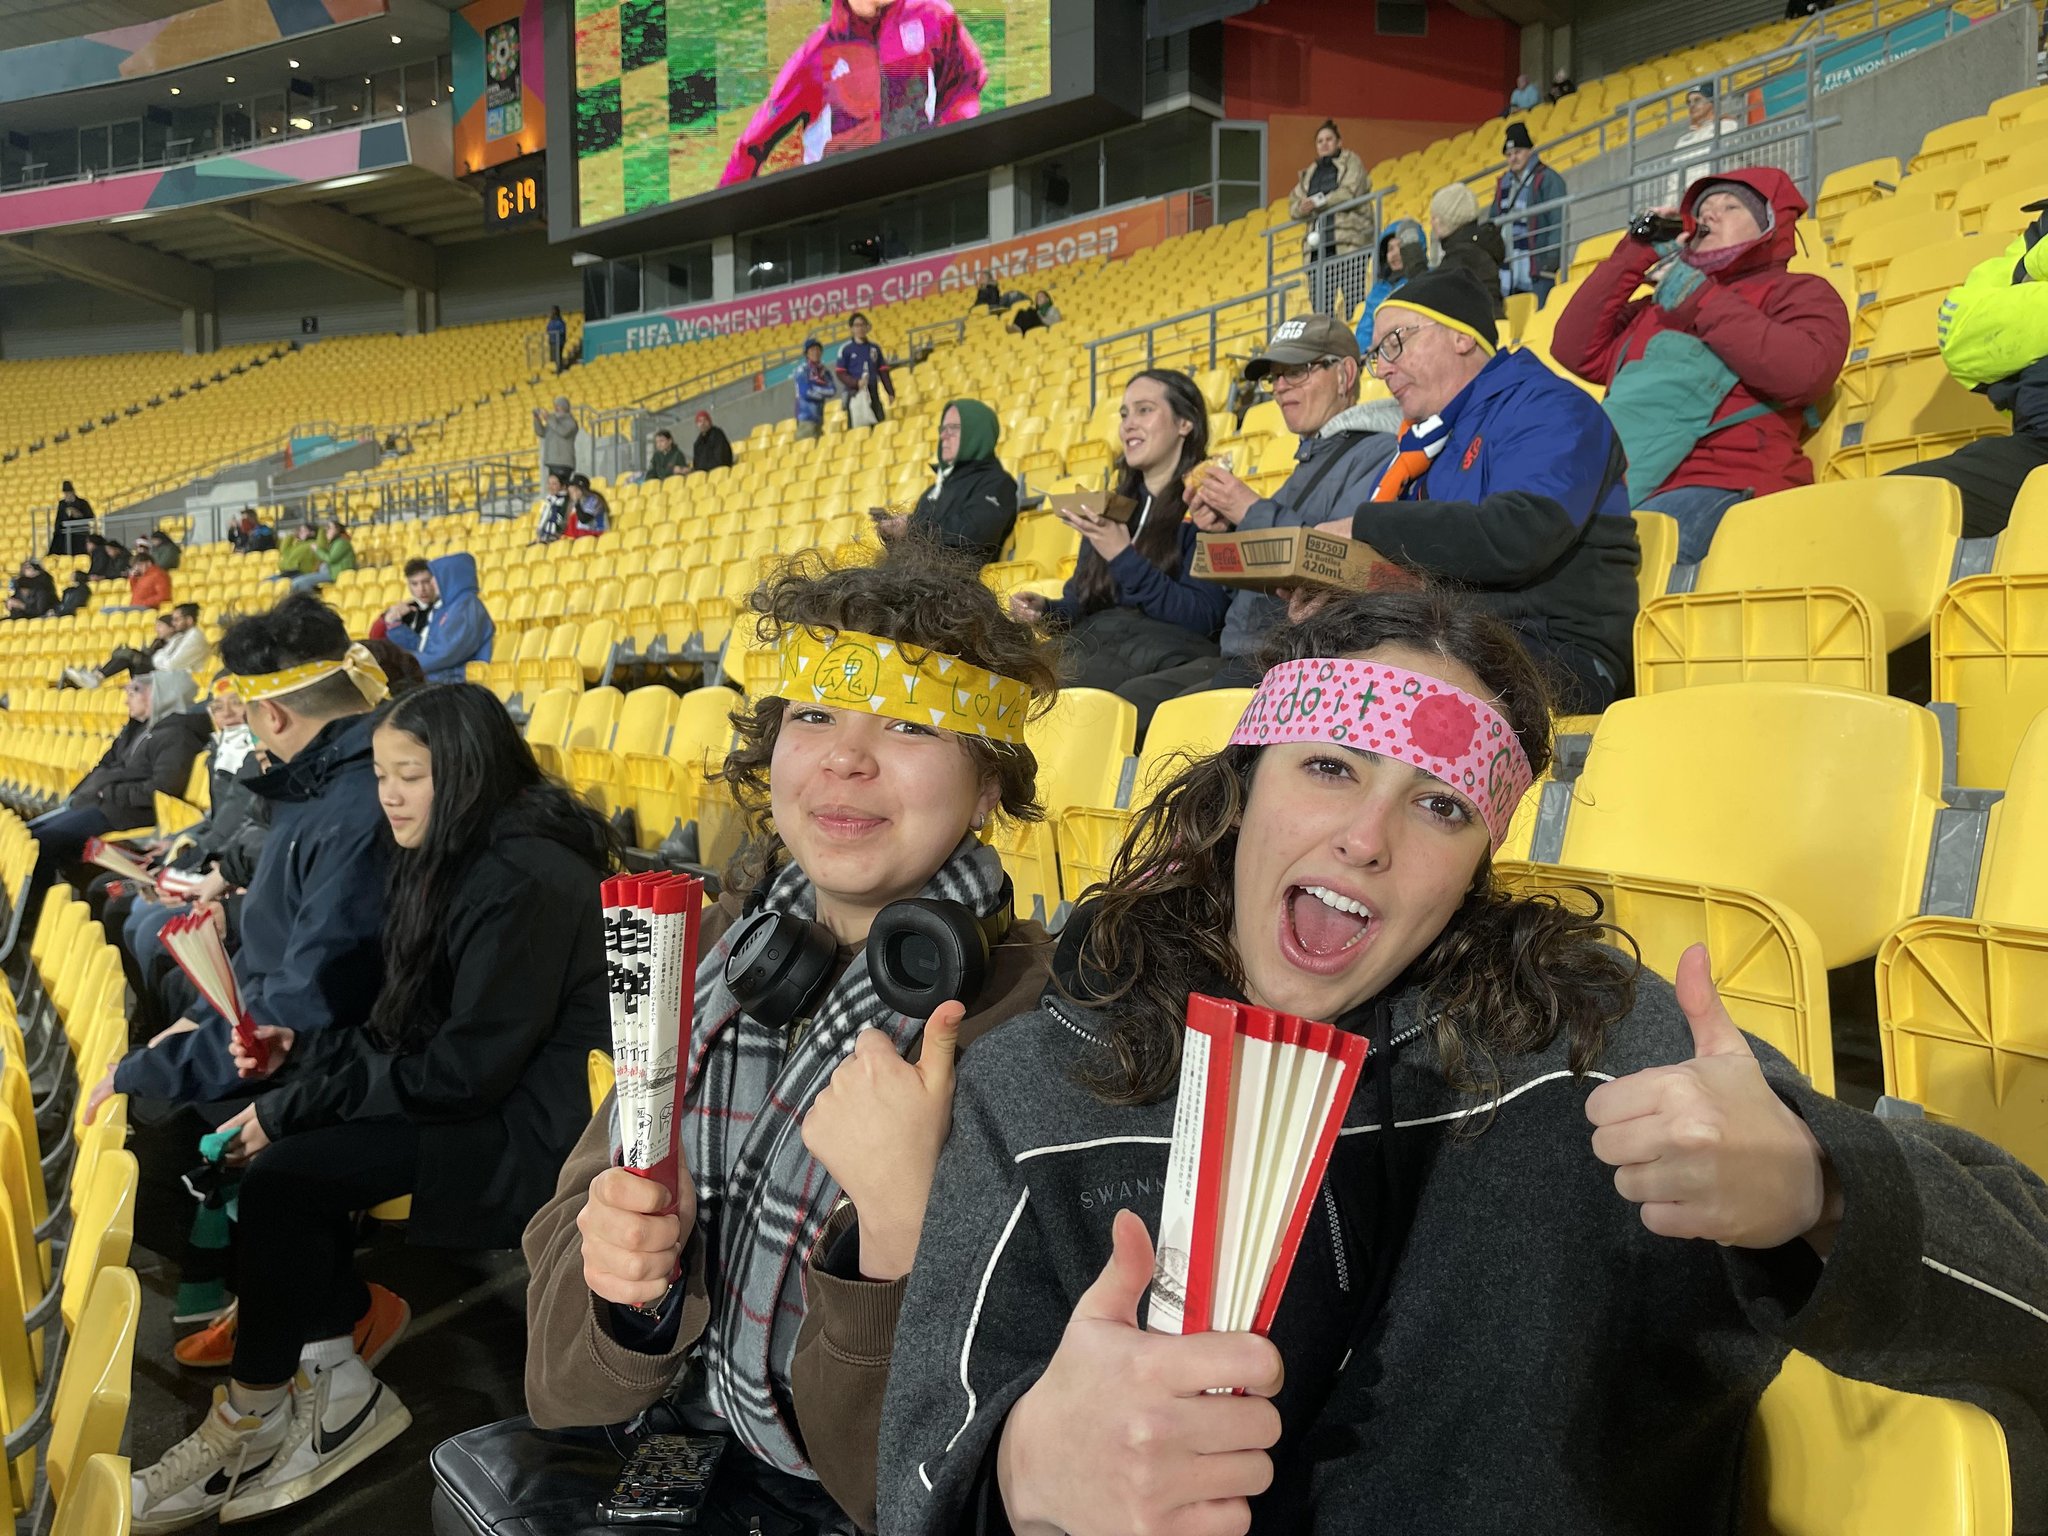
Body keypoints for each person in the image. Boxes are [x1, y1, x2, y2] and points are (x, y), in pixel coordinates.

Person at [876, 588, 2048, 1536]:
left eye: (1437, 806)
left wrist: (1815, 1186)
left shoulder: (1593, 1047)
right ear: (1243, 789)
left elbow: (2024, 1282)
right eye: (1327, 768)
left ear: (1476, 861)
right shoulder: (1042, 1078)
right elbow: (921, 1467)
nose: (1366, 840)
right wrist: (1023, 1473)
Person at [521, 550, 1059, 1533]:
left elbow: (918, 1490)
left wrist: (897, 1236)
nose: (844, 760)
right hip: (681, 1456)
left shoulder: (1040, 1032)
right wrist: (621, 1292)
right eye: (812, 714)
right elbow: (562, 1383)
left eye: (907, 723)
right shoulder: (708, 955)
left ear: (988, 787)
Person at [131, 684, 618, 1529]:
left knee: (287, 1170)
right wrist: (300, 1067)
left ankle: (267, 1411)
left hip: (531, 1132)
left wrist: (297, 1107)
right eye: (384, 773)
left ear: (464, 774)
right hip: (475, 1096)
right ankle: (322, 1378)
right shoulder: (458, 853)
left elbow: (464, 1071)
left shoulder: (526, 875)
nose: (388, 794)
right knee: (285, 1140)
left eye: (410, 775)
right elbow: (408, 1031)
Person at [90, 596, 390, 1126]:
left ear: (270, 715)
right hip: (307, 1038)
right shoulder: (335, 791)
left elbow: (307, 996)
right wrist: (193, 1026)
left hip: (328, 1059)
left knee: (151, 1115)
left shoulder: (345, 812)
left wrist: (148, 1069)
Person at [1321, 268, 1639, 710]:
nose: (1385, 369)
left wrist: (1365, 526)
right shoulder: (1428, 441)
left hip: (1557, 657)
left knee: (1353, 696)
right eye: (1378, 355)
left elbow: (1519, 534)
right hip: (1458, 639)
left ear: (1462, 337)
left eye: (1396, 342)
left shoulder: (1550, 406)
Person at [1553, 169, 1849, 564]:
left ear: (1769, 224)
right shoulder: (1660, 306)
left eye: (1729, 206)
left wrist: (1701, 299)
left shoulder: (1800, 292)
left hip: (1727, 483)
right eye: (1703, 210)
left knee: (1600, 565)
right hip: (1629, 484)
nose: (1710, 216)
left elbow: (1806, 372)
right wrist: (1637, 252)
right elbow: (1573, 348)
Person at [1127, 313, 1399, 725]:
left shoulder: (1379, 452)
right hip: (1245, 653)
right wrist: (1226, 526)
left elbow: (1341, 561)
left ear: (1345, 373)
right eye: (1276, 377)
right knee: (1127, 705)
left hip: (1295, 664)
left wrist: (1250, 511)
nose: (1281, 387)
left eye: (1298, 371)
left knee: (1143, 714)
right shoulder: (1311, 459)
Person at [1009, 371, 1230, 690]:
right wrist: (1046, 609)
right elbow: (1082, 605)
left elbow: (1203, 617)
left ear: (1185, 423)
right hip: (1101, 643)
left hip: (1165, 651)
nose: (1128, 424)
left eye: (1144, 410)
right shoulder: (1110, 508)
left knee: (1058, 691)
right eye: (1124, 414)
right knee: (1009, 680)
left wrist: (1122, 555)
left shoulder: (1207, 504)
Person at [1887, 194, 2048, 537]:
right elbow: (1960, 335)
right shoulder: (2039, 233)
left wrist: (2024, 300)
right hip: (2038, 444)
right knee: (1871, 506)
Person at [719, 0, 986, 185]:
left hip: (915, 184)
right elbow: (753, 144)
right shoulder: (816, 56)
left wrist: (950, 143)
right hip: (839, 203)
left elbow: (966, 78)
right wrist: (719, 232)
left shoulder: (931, 16)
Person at [23, 670, 206, 910]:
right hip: (104, 804)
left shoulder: (176, 736)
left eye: (135, 691)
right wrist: (86, 791)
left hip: (125, 813)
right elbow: (106, 764)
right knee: (28, 834)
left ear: (161, 693)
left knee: (41, 841)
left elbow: (161, 789)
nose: (126, 698)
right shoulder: (137, 729)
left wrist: (108, 792)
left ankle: (30, 914)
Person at [875, 400, 1018, 567]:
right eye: (943, 429)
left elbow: (975, 534)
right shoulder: (934, 490)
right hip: (920, 580)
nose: (943, 436)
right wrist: (894, 535)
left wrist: (912, 528)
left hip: (960, 586)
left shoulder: (997, 484)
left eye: (954, 428)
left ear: (977, 432)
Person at [1290, 119, 1373, 315]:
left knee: (1355, 302)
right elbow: (1293, 205)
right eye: (1320, 141)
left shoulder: (1351, 161)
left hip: (1348, 244)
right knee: (1320, 310)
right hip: (1317, 251)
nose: (1324, 144)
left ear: (1339, 142)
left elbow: (1351, 191)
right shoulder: (1309, 173)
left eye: (1329, 139)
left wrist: (1320, 202)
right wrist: (1302, 208)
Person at [372, 554, 494, 685]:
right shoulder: (446, 608)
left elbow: (444, 655)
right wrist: (395, 626)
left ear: (449, 577)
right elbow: (425, 647)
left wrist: (403, 663)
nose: (431, 583)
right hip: (441, 679)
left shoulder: (466, 606)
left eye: (433, 578)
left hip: (456, 684)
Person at [1491, 122, 1567, 305]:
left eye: (1517, 152)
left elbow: (1557, 219)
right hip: (1508, 267)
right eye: (1509, 155)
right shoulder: (1504, 183)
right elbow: (1494, 219)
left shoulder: (1548, 178)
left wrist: (1551, 259)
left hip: (1538, 266)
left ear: (1529, 151)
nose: (1513, 158)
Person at [64, 602, 209, 688]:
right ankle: (97, 677)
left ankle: (97, 677)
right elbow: (164, 658)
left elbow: (170, 663)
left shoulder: (194, 637)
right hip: (166, 674)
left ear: (189, 620)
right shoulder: (184, 637)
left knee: (129, 654)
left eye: (177, 620)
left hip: (177, 680)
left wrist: (158, 658)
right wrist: (159, 658)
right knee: (126, 654)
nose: (175, 623)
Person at [1429, 182, 1507, 319]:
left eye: (1435, 217)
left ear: (1449, 219)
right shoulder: (1477, 247)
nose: (1431, 223)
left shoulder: (1463, 257)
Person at [1661, 83, 1743, 207]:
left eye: (1697, 100)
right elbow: (1674, 180)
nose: (1692, 106)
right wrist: (1668, 207)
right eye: (1689, 102)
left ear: (1711, 102)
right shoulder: (1683, 141)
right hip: (1688, 202)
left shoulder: (1727, 126)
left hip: (1717, 195)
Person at [1359, 219, 1428, 339]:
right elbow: (1364, 332)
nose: (1395, 254)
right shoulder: (1377, 292)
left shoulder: (1428, 279)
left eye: (1401, 246)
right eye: (1390, 249)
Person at [836, 312, 895, 426]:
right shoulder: (846, 349)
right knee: (858, 430)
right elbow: (840, 373)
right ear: (851, 328)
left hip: (873, 393)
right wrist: (856, 383)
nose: (860, 328)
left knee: (879, 425)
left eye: (863, 325)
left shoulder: (874, 348)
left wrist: (890, 391)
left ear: (867, 327)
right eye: (857, 325)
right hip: (855, 395)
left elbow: (883, 371)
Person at [288, 517, 356, 593]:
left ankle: (310, 600)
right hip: (329, 572)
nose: (327, 531)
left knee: (298, 583)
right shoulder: (335, 543)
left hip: (335, 574)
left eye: (330, 528)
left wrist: (317, 550)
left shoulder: (342, 542)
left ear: (337, 530)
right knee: (296, 582)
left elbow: (331, 559)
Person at [106, 545, 171, 612]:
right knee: (106, 610)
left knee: (113, 611)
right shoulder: (143, 577)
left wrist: (144, 603)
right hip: (137, 606)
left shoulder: (159, 574)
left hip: (148, 607)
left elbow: (163, 596)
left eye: (139, 565)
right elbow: (135, 591)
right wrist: (133, 578)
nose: (137, 568)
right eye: (135, 566)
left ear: (149, 563)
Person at [796, 338, 837, 441]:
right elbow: (805, 392)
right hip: (805, 417)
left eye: (818, 349)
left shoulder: (824, 371)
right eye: (812, 350)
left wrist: (815, 388)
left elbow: (832, 390)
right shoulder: (802, 369)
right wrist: (822, 391)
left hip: (819, 417)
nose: (815, 352)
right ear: (806, 353)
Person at [534, 396, 578, 482]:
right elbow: (541, 433)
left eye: (557, 406)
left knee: (561, 488)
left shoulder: (570, 421)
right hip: (552, 461)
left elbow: (563, 432)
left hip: (563, 462)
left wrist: (549, 418)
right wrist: (537, 419)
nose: (555, 408)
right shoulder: (553, 421)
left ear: (564, 407)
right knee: (555, 489)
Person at [50, 480, 95, 557]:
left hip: (80, 534)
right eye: (66, 493)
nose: (67, 495)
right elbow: (59, 520)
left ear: (73, 492)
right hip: (65, 535)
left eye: (69, 493)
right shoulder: (62, 504)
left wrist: (79, 514)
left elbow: (91, 517)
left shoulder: (83, 503)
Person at [564, 474, 609, 538]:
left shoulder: (594, 499)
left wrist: (577, 503)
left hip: (597, 534)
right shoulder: (577, 501)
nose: (571, 492)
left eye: (575, 489)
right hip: (582, 535)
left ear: (582, 489)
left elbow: (584, 519)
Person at [533, 471, 571, 545]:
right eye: (549, 483)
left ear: (563, 486)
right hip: (545, 538)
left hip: (560, 539)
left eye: (554, 484)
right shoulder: (548, 501)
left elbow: (565, 522)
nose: (550, 487)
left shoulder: (567, 502)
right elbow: (542, 521)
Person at [546, 305, 569, 373]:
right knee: (553, 357)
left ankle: (559, 369)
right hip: (552, 341)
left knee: (558, 356)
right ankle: (555, 368)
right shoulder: (551, 322)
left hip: (559, 342)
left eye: (553, 310)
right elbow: (548, 330)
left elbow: (562, 331)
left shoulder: (560, 322)